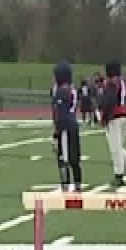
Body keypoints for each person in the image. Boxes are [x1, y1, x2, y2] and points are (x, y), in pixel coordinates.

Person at [52, 61, 82, 192]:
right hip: (73, 124)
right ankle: (78, 183)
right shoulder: (72, 89)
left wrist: (56, 133)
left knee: (63, 157)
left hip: (65, 127)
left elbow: (60, 113)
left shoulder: (61, 91)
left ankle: (65, 184)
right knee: (74, 156)